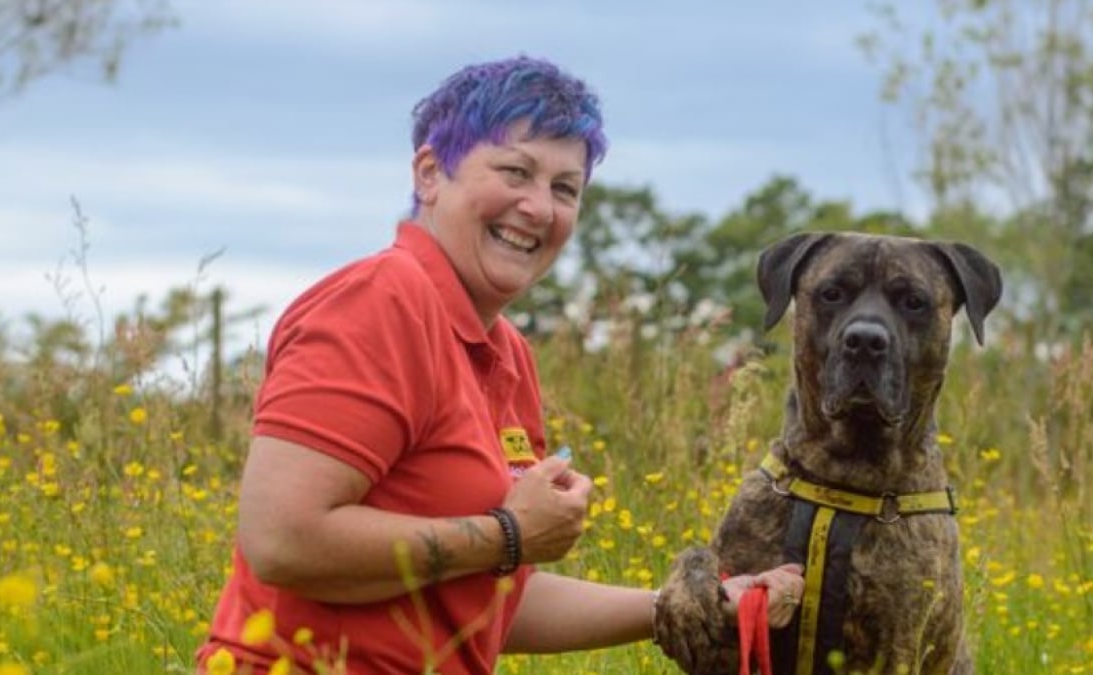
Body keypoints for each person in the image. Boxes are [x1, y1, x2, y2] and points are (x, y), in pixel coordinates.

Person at [196, 55, 803, 675]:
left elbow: (485, 598)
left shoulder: (505, 352)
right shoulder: (379, 302)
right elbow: (282, 541)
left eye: (565, 189)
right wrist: (509, 534)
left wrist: (684, 607)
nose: (539, 207)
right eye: (516, 172)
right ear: (430, 173)